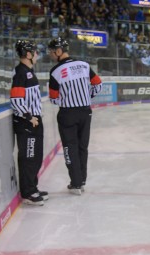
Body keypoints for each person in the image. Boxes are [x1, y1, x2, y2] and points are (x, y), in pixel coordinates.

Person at [47, 37, 102, 195]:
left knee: (69, 148)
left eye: (52, 52)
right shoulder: (84, 65)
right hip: (85, 111)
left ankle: (76, 183)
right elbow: (98, 84)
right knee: (82, 147)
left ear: (58, 51)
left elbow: (53, 98)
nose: (51, 55)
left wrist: (67, 99)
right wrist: (86, 96)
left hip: (67, 114)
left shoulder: (56, 71)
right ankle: (82, 180)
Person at [11, 40, 47, 206]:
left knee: (36, 156)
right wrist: (29, 117)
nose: (37, 54)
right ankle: (28, 191)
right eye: (34, 51)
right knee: (28, 157)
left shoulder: (29, 72)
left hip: (34, 120)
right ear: (27, 54)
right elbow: (16, 100)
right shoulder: (20, 73)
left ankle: (33, 186)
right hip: (27, 122)